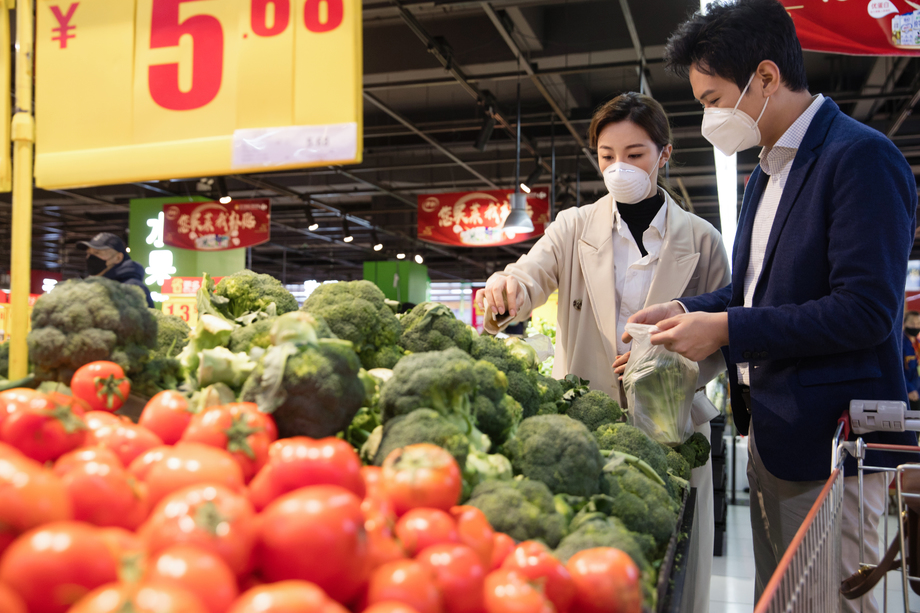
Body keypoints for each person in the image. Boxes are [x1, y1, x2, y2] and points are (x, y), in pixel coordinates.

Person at [627, 1, 918, 610]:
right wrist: (685, 308)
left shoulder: (859, 158)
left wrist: (728, 329)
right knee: (782, 595)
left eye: (712, 99)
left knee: (831, 598)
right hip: (770, 429)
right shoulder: (766, 170)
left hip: (834, 441)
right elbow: (754, 292)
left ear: (764, 78)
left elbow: (865, 310)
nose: (707, 116)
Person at [475, 91, 730, 613]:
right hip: (583, 424)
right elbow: (532, 273)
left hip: (672, 429)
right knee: (592, 573)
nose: (620, 168)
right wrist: (508, 289)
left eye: (635, 155)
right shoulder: (573, 227)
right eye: (607, 156)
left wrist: (666, 368)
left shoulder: (703, 240)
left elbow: (725, 337)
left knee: (670, 572)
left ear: (665, 154)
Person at [77, 232, 155, 308]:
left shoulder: (131, 289)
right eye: (88, 253)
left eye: (97, 253)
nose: (89, 258)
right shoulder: (91, 286)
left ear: (118, 258)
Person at [905, 311, 920, 411]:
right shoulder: (901, 345)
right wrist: (909, 389)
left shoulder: (918, 344)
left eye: (918, 323)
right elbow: (897, 370)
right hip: (908, 393)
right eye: (912, 323)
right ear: (904, 323)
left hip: (918, 390)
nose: (915, 326)